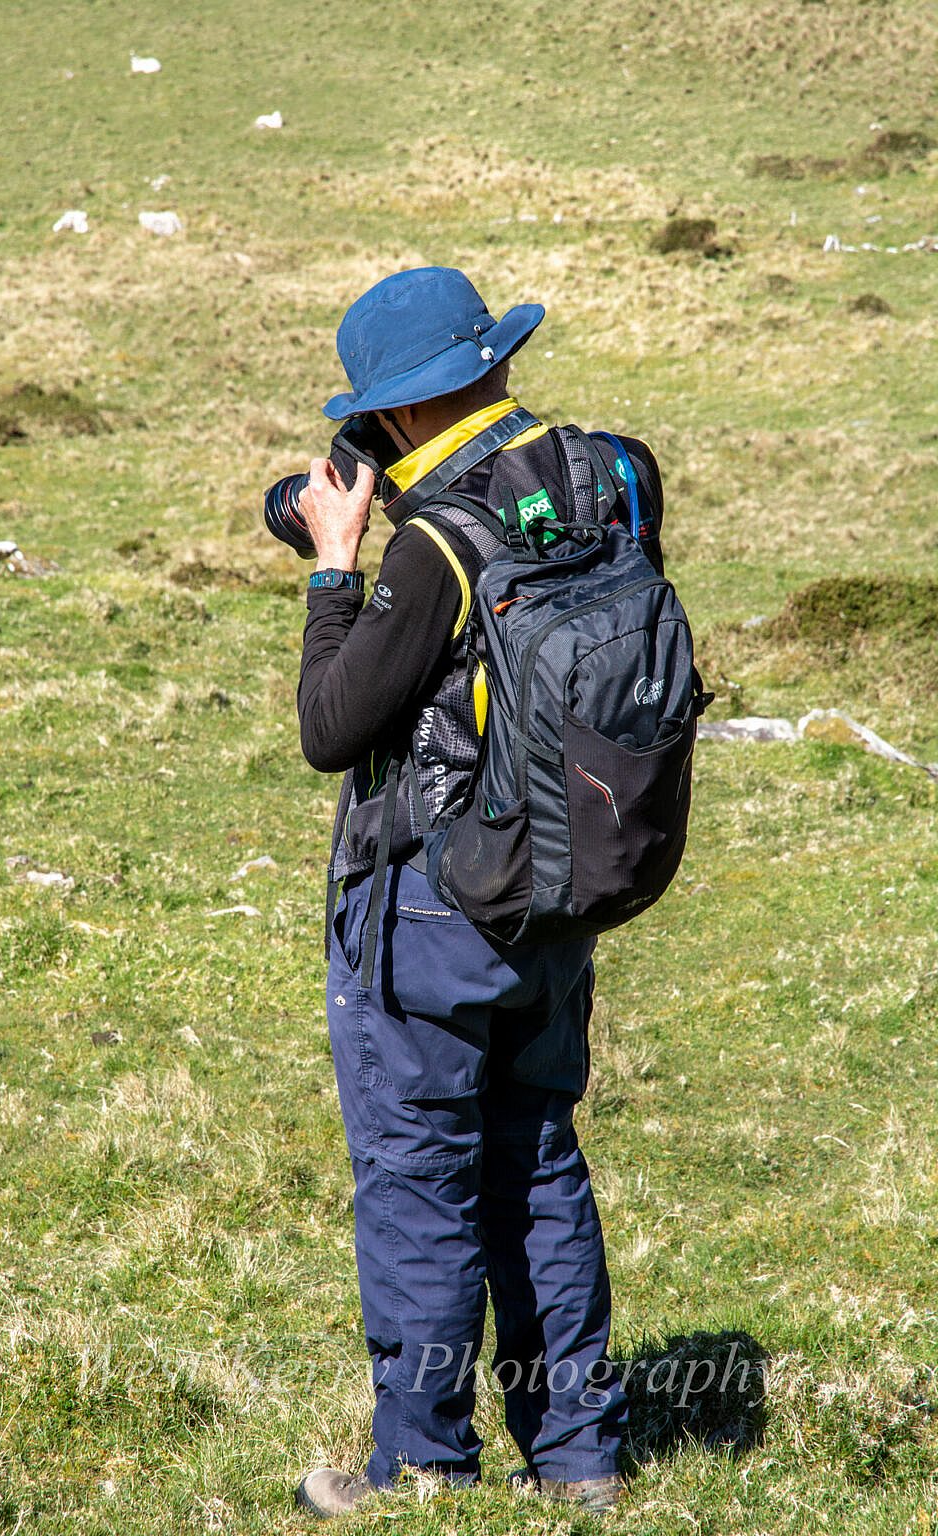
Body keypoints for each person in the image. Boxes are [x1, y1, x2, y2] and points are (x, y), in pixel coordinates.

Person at [292, 267, 665, 1520]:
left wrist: (337, 566)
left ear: (394, 415)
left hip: (434, 911)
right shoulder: (611, 479)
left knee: (417, 1174)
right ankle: (578, 1456)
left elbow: (335, 728)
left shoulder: (435, 545)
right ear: (491, 365)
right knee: (539, 1159)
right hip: (561, 886)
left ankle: (423, 1464)